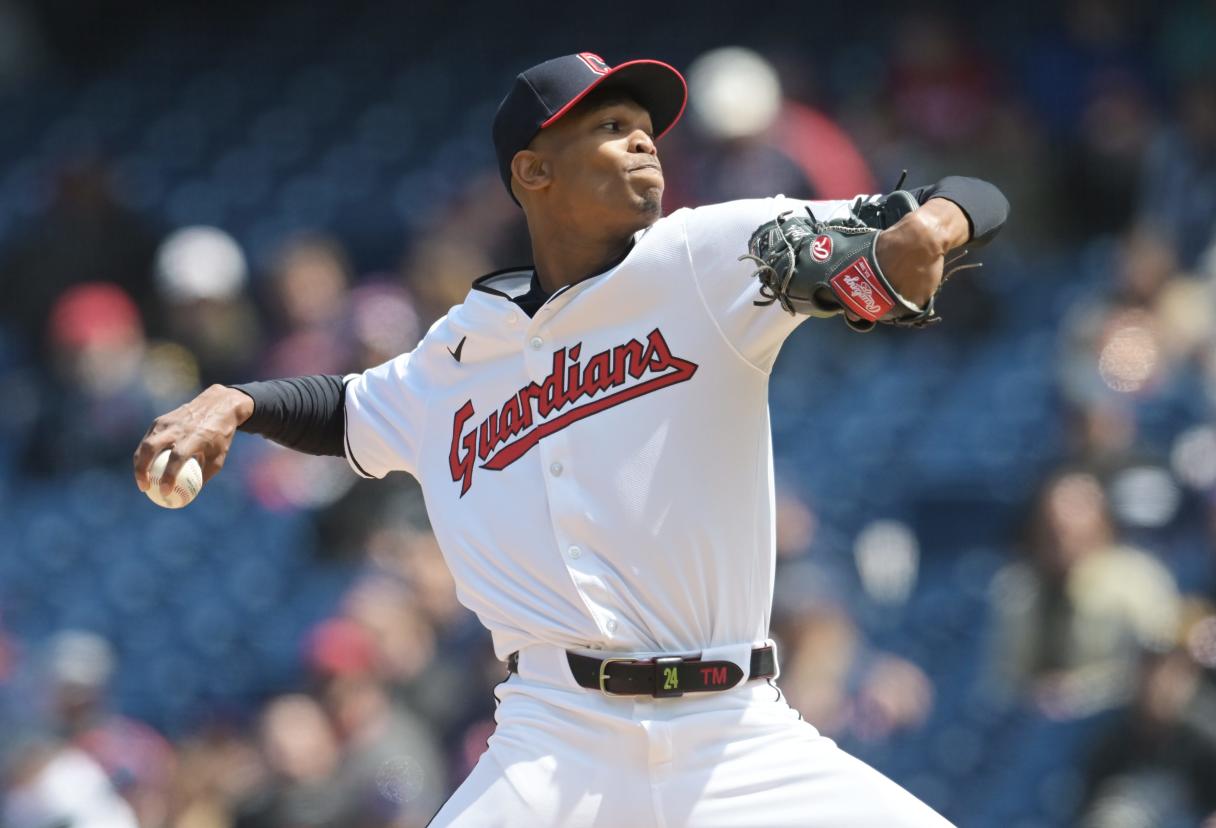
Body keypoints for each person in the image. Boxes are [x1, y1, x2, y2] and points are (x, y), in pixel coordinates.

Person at [134, 52, 1008, 826]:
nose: (645, 143)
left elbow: (962, 199)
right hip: (555, 740)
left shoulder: (706, 256)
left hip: (734, 730)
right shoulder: (461, 350)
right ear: (533, 172)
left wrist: (935, 226)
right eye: (612, 126)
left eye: (648, 128)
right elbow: (350, 409)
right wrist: (237, 402)